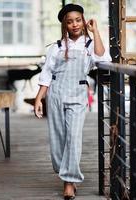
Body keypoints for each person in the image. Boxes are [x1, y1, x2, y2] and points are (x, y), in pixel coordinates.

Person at [34, 3, 111, 199]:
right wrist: (38, 99)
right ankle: (65, 174)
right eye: (70, 22)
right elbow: (46, 75)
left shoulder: (90, 44)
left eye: (78, 20)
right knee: (58, 140)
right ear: (65, 25)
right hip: (56, 94)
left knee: (74, 138)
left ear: (84, 21)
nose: (75, 25)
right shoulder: (56, 47)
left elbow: (103, 59)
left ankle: (69, 182)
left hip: (77, 94)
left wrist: (96, 32)